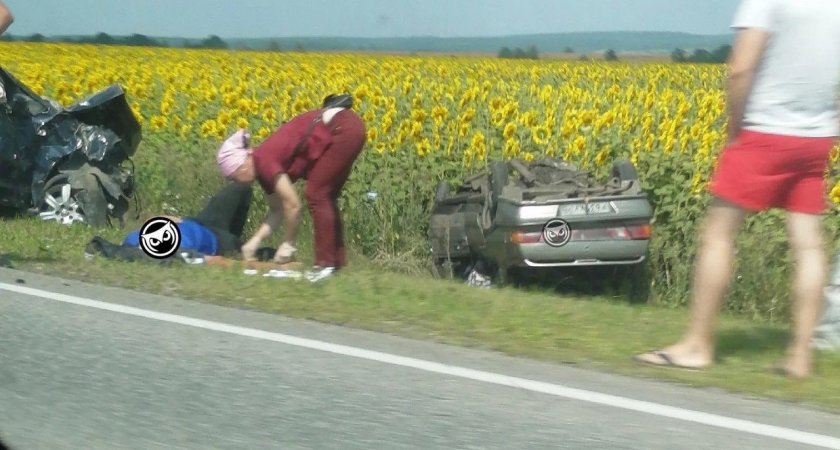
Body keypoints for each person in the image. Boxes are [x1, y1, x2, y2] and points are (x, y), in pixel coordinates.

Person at [635, 0, 840, 379]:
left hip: (765, 128)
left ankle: (697, 345)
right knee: (808, 243)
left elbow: (741, 69)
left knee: (717, 235)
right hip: (816, 137)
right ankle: (799, 356)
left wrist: (735, 131)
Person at [216, 94, 366, 282]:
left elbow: (293, 206)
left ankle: (325, 265)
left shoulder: (264, 160)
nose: (235, 182)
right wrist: (252, 244)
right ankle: (335, 264)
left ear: (242, 165)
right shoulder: (264, 173)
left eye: (233, 176)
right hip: (348, 126)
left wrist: (288, 244)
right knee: (325, 196)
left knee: (316, 194)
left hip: (343, 128)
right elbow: (276, 212)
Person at [86, 182, 255, 262]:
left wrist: (178, 220)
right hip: (220, 242)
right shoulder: (177, 253)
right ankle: (242, 242)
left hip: (198, 222)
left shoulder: (132, 239)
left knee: (242, 186)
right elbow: (220, 263)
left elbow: (154, 220)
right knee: (254, 249)